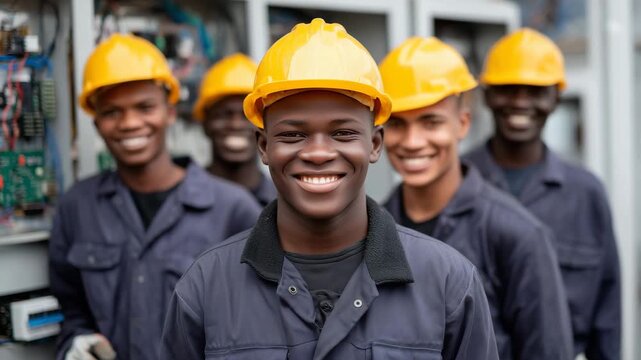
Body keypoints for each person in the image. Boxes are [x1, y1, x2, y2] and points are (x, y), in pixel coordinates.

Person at [161, 19, 498, 360]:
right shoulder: (206, 286)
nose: (318, 153)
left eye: (342, 133)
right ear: (263, 146)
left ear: (375, 143)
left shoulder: (448, 283)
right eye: (293, 135)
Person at [49, 34, 261, 360]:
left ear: (170, 112)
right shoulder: (77, 207)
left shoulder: (234, 210)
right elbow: (71, 306)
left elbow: (262, 324)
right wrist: (77, 340)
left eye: (145, 107)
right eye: (112, 112)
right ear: (97, 122)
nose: (130, 123)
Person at [379, 36, 573, 360]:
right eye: (397, 124)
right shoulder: (375, 232)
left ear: (463, 123)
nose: (413, 142)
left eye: (431, 122)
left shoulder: (519, 235)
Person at [464, 28, 621, 359]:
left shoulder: (586, 194)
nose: (521, 101)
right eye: (508, 89)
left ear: (556, 98)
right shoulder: (456, 183)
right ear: (487, 94)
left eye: (535, 91)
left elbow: (607, 313)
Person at [194, 53, 276, 206]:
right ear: (205, 124)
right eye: (223, 114)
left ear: (265, 127)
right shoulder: (179, 200)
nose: (235, 125)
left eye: (247, 115)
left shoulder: (286, 204)